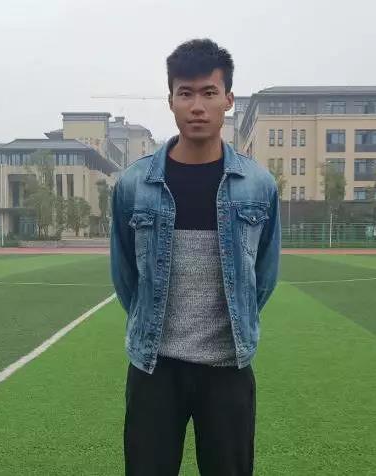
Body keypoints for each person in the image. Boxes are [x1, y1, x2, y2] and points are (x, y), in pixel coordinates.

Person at [110, 38, 281, 476]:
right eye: (185, 93)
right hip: (154, 368)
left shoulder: (258, 185)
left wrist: (238, 320)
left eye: (209, 92)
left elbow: (263, 275)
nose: (197, 106)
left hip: (228, 369)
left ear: (228, 99)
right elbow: (125, 275)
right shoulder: (134, 185)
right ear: (170, 100)